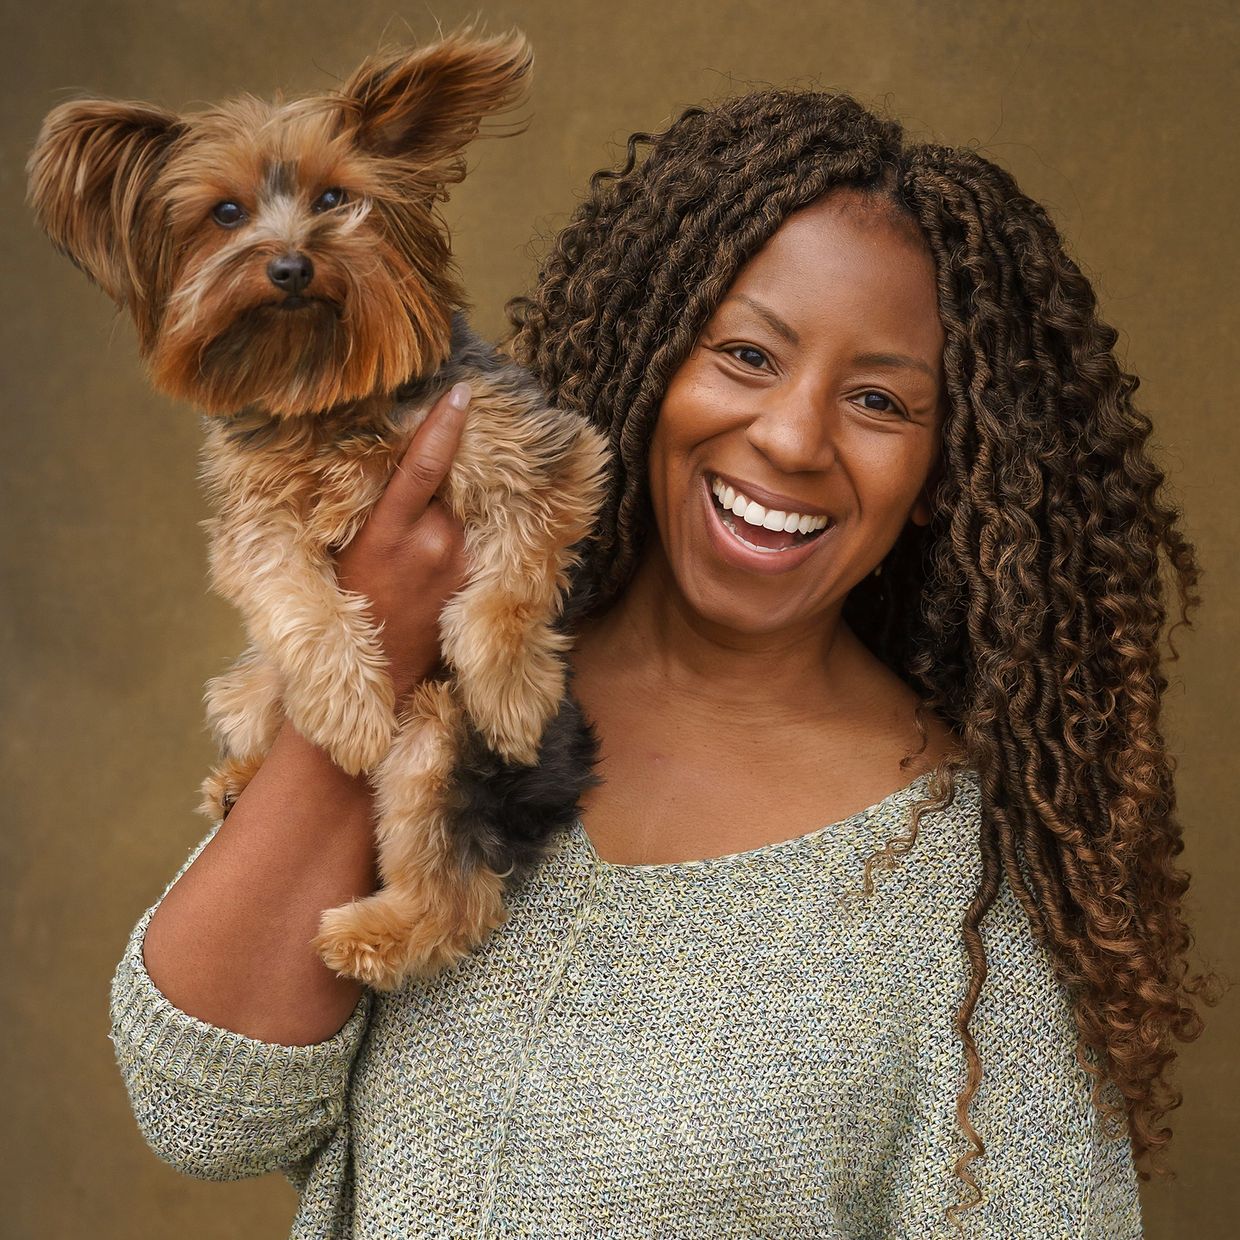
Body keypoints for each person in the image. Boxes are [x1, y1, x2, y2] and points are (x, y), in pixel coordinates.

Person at [109, 87, 1215, 1237]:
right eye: (744, 354)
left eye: (879, 400)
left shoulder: (957, 901)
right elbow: (205, 1111)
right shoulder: (447, 692)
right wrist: (383, 652)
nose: (791, 437)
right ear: (652, 355)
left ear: (945, 475)